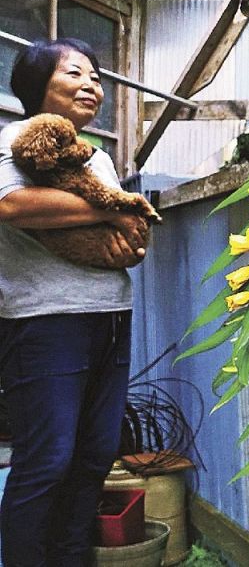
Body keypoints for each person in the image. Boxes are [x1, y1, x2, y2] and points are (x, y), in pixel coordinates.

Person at [0, 38, 149, 566]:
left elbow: (125, 225)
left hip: (109, 319)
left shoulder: (99, 156)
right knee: (48, 460)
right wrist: (110, 213)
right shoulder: (13, 137)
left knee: (93, 457)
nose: (92, 85)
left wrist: (125, 234)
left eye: (96, 77)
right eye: (75, 73)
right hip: (45, 323)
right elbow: (13, 204)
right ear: (37, 83)